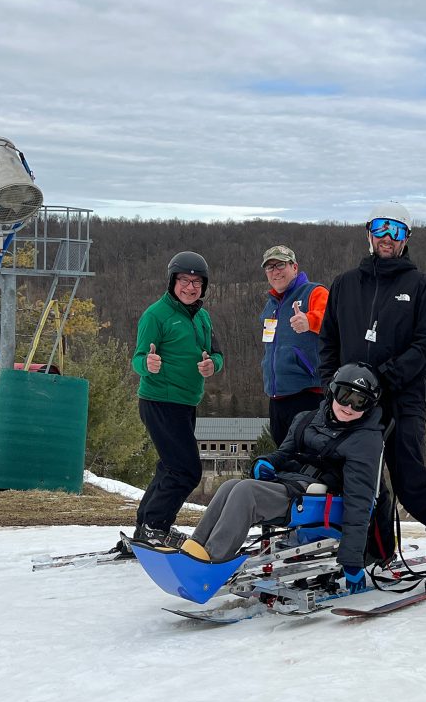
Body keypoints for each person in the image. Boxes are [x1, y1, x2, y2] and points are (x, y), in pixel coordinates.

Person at [319, 201, 426, 587]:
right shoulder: (344, 284)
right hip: (350, 401)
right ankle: (375, 551)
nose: (388, 238)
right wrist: (331, 387)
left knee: (409, 480)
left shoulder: (420, 286)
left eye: (397, 231)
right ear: (369, 233)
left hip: (401, 397)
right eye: (381, 229)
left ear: (406, 239)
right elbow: (328, 342)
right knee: (354, 477)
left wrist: (384, 378)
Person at [178, 363, 385, 594]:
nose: (348, 406)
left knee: (246, 492)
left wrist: (353, 560)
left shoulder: (365, 441)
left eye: (359, 402)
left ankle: (214, 562)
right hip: (292, 485)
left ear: (369, 406)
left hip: (319, 501)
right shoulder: (308, 418)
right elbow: (283, 454)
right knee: (230, 486)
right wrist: (266, 462)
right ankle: (194, 549)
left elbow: (359, 501)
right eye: (344, 396)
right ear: (333, 391)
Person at [128, 251, 224, 548]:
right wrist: (148, 364)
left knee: (170, 466)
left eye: (197, 282)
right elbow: (138, 358)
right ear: (172, 282)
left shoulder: (203, 316)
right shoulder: (156, 315)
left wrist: (212, 366)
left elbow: (217, 354)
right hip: (159, 400)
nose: (190, 287)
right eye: (184, 280)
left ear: (203, 286)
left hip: (185, 402)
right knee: (186, 470)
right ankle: (156, 527)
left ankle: (145, 527)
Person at [259, 244, 329, 446]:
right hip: (276, 397)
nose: (275, 272)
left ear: (295, 267)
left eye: (280, 265)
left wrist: (310, 321)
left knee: (307, 460)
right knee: (284, 461)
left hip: (307, 395)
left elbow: (334, 321)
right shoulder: (272, 304)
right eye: (270, 268)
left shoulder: (314, 292)